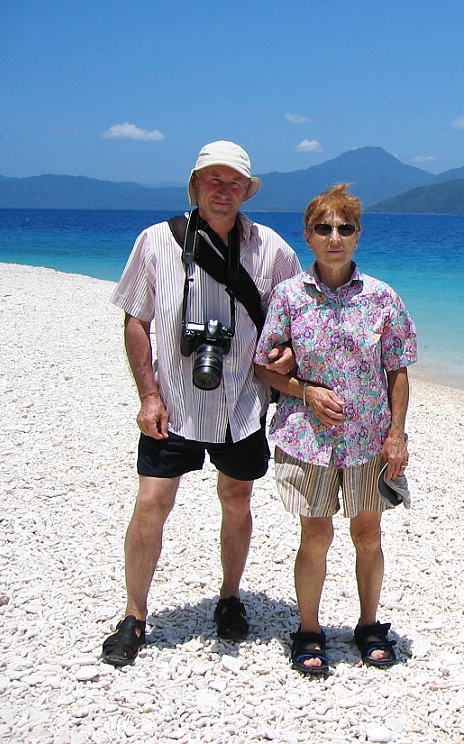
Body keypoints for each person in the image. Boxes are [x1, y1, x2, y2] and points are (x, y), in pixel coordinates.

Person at [101, 141, 301, 666]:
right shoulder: (155, 242)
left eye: (233, 182)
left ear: (246, 191)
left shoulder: (272, 249)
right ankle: (134, 615)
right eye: (212, 180)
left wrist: (284, 357)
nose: (223, 190)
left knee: (237, 501)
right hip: (172, 403)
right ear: (194, 186)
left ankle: (230, 598)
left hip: (242, 406)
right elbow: (135, 321)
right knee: (151, 505)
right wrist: (147, 396)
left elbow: (294, 322)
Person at [253, 183, 417, 674]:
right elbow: (264, 365)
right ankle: (308, 631)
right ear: (308, 236)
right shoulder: (288, 296)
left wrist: (397, 436)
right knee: (316, 536)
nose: (335, 237)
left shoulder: (382, 297)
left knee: (368, 534)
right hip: (307, 439)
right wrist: (305, 390)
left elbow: (399, 370)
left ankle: (369, 626)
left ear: (358, 235)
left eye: (345, 228)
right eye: (324, 228)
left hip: (369, 439)